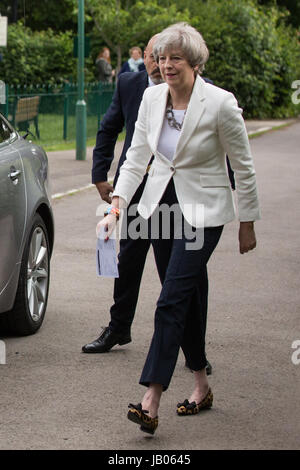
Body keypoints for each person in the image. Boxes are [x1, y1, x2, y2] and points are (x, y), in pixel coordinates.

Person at [97, 23, 260, 435]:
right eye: (162, 57)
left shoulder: (220, 104)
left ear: (196, 63)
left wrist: (247, 223)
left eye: (176, 59)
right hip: (160, 207)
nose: (166, 65)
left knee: (170, 298)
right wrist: (116, 208)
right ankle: (201, 383)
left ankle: (150, 400)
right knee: (186, 297)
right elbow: (135, 158)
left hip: (203, 213)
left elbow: (243, 166)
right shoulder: (152, 98)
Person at [82, 35, 217, 375]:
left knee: (183, 271)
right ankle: (118, 327)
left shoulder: (202, 91)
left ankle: (193, 349)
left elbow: (219, 148)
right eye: (153, 56)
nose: (159, 64)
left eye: (167, 57)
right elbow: (109, 127)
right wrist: (100, 173)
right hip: (134, 186)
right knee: (128, 256)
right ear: (144, 57)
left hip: (177, 193)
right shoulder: (129, 83)